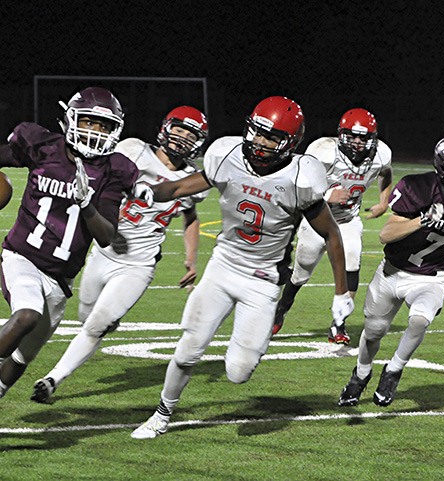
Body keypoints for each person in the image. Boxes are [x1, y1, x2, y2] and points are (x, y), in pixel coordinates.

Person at [130, 96, 354, 439]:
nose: (261, 142)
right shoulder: (228, 155)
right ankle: (161, 413)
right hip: (223, 267)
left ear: (291, 142)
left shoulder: (302, 176)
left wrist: (341, 292)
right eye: (258, 133)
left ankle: (246, 350)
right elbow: (179, 187)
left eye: (272, 137)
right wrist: (148, 191)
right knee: (188, 348)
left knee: (238, 372)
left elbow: (331, 234)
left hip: (262, 280)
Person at [0, 87, 139, 446]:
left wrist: (88, 204)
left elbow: (108, 235)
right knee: (27, 314)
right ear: (71, 121)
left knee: (21, 357)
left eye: (102, 125)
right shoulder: (44, 146)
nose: (94, 132)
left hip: (60, 278)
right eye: (89, 122)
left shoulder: (114, 171)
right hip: (21, 256)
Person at [30, 106, 210, 403]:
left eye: (190, 133)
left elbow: (190, 216)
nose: (181, 137)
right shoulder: (133, 151)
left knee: (96, 325)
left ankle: (53, 379)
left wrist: (190, 259)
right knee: (86, 316)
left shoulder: (193, 181)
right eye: (178, 129)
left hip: (138, 264)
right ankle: (107, 319)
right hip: (103, 252)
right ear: (165, 128)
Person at [338, 131, 444, 408]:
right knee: (373, 332)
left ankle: (393, 370)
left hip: (431, 276)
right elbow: (386, 234)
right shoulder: (418, 187)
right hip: (393, 272)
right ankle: (361, 373)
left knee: (420, 319)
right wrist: (425, 219)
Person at [273, 108, 393, 344]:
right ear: (341, 135)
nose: (358, 142)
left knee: (352, 261)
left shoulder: (381, 155)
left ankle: (339, 323)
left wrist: (383, 202)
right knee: (301, 273)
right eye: (353, 136)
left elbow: (386, 174)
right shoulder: (324, 152)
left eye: (364, 138)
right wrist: (327, 194)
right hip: (317, 218)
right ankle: (281, 310)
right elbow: (298, 185)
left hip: (348, 220)